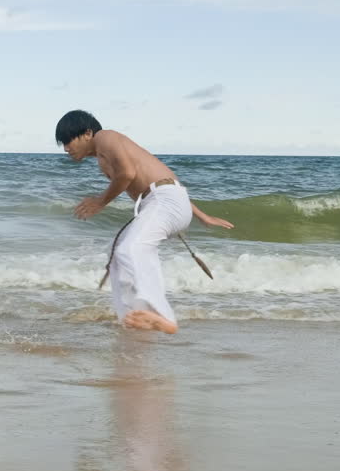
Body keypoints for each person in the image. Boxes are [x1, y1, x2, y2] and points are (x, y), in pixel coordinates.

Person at [56, 110, 234, 334]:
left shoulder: (106, 137)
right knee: (118, 257)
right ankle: (133, 317)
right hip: (163, 202)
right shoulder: (103, 160)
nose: (65, 148)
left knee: (131, 248)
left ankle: (163, 316)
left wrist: (100, 202)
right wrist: (201, 216)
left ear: (87, 133)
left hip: (164, 201)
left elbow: (129, 174)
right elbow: (161, 179)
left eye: (68, 140)